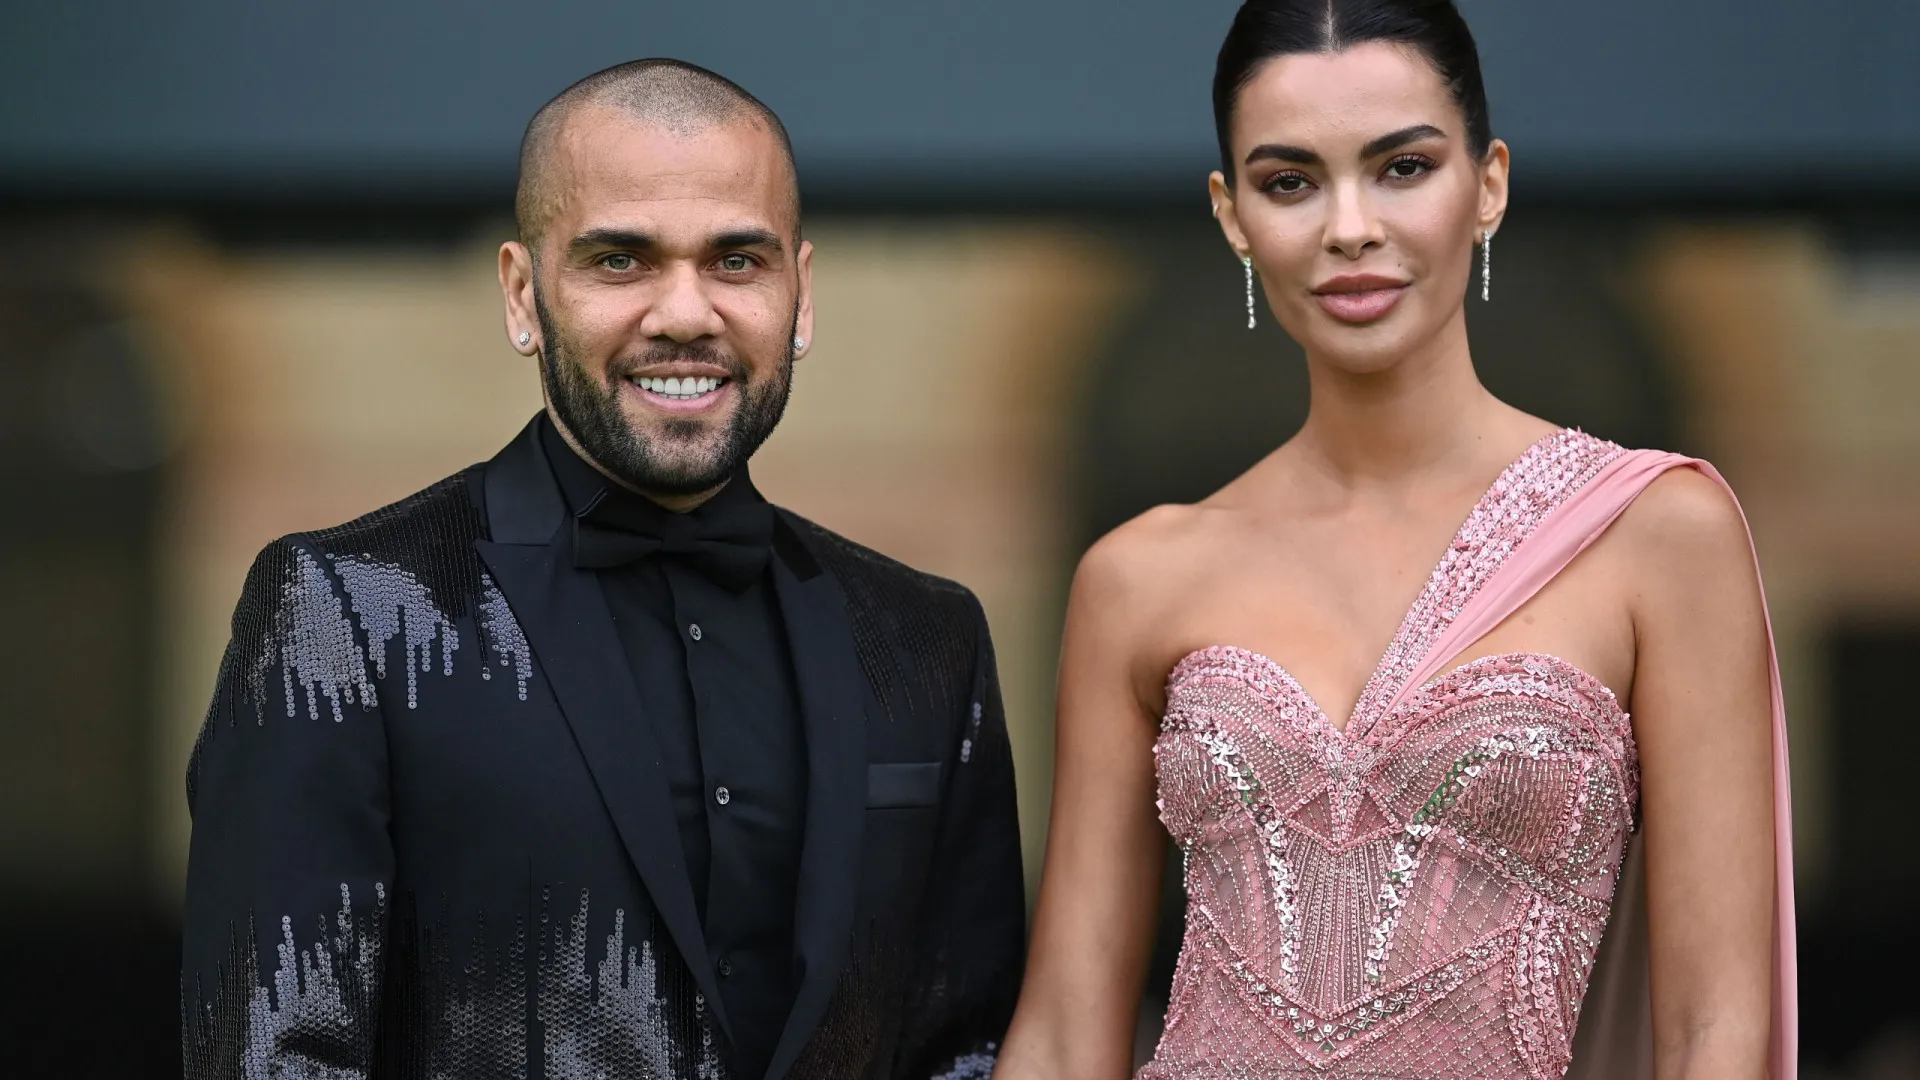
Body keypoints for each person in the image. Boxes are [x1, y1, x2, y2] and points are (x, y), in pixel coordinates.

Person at [993, 3, 1795, 1078]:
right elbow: (1062, 1031)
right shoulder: (1139, 576)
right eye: (1290, 183)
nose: (1350, 227)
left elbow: (1716, 1030)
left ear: (1489, 184)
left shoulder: (1653, 532)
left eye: (1403, 168)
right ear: (1232, 216)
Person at [181, 58, 1024, 1080]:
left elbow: (966, 1051)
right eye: (620, 261)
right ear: (522, 295)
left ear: (801, 296)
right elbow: (274, 1060)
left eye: (737, 261)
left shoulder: (927, 637)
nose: (686, 314)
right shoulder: (344, 611)